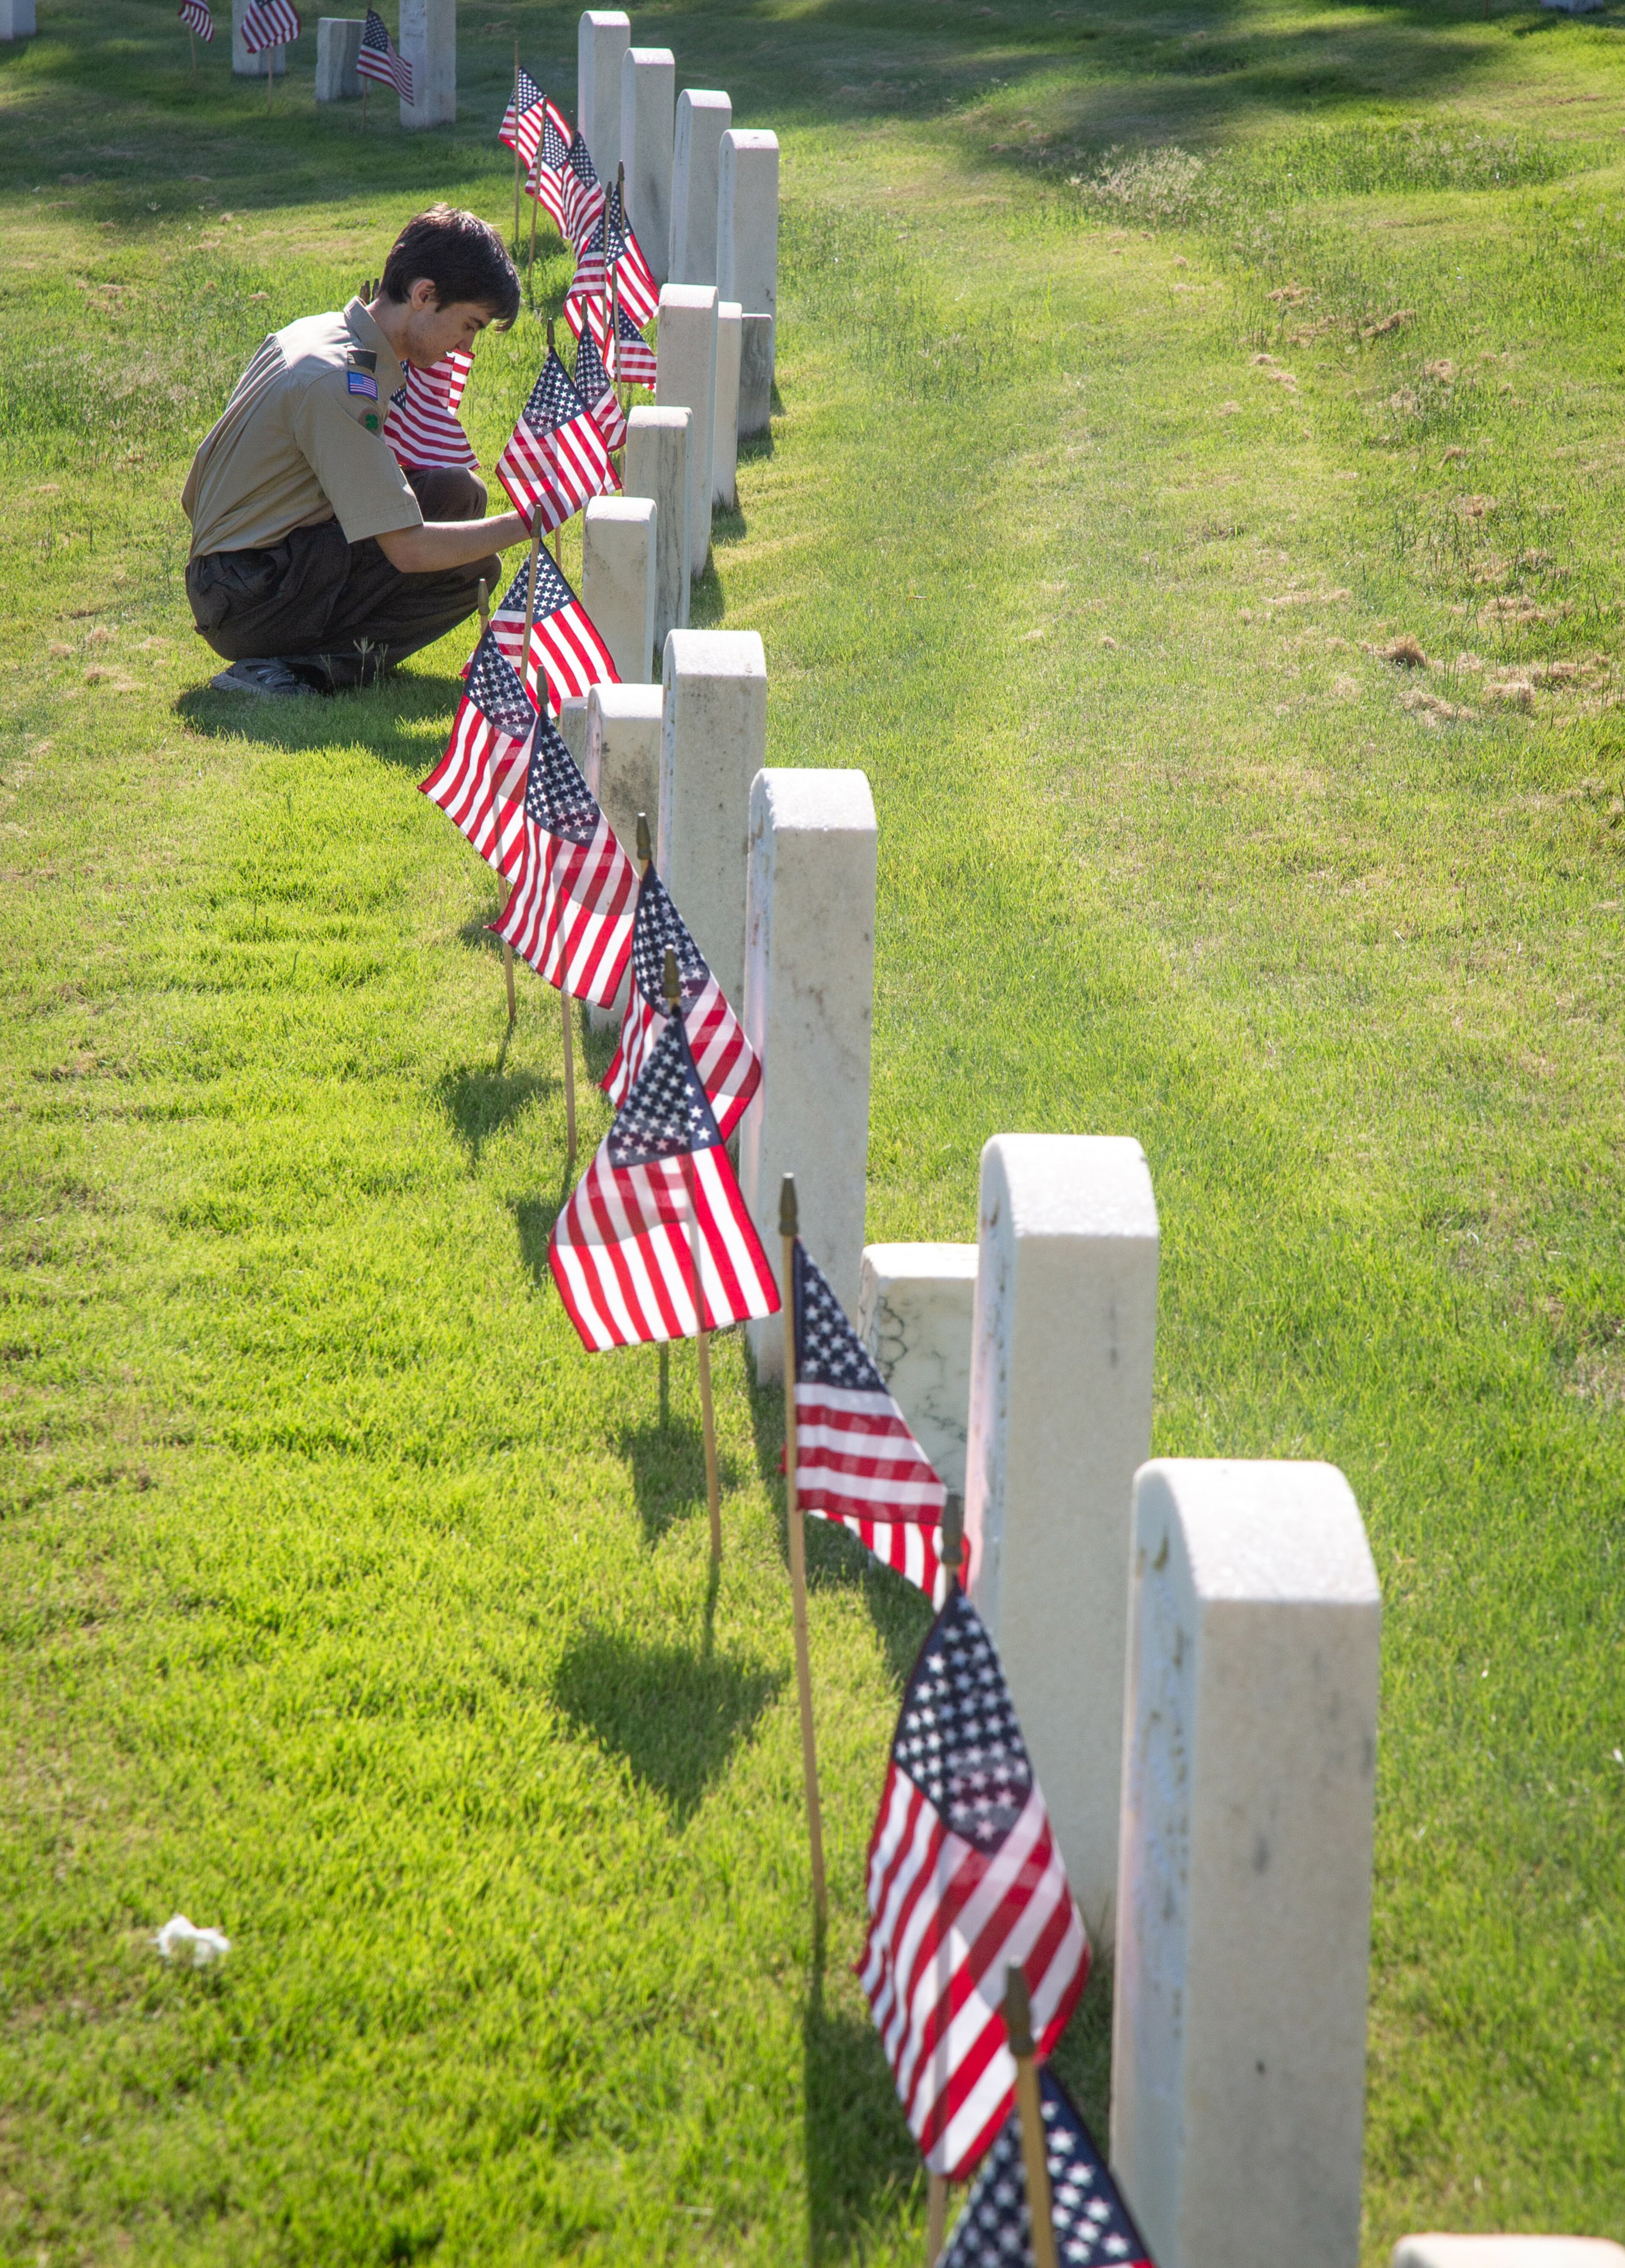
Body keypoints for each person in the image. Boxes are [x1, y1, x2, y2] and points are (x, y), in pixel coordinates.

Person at [182, 205, 532, 698]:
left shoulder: (327, 333)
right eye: (469, 325)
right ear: (424, 294)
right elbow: (407, 551)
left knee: (460, 497)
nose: (465, 347)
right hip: (245, 594)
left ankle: (298, 658)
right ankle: (290, 669)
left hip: (246, 565)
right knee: (472, 571)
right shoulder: (339, 380)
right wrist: (528, 523)